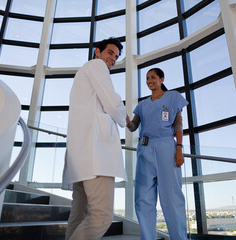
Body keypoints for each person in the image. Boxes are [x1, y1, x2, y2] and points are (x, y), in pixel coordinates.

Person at [62, 37, 127, 240]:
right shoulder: (97, 65)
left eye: (116, 56)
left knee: (79, 214)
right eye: (110, 53)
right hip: (96, 155)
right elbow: (112, 102)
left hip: (80, 156)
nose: (113, 59)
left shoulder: (83, 73)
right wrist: (126, 120)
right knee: (102, 216)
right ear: (97, 52)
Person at [126, 68, 188, 240]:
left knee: (171, 198)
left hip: (166, 147)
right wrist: (125, 120)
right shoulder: (142, 105)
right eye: (147, 78)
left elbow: (178, 125)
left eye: (153, 77)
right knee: (143, 199)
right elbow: (133, 127)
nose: (149, 81)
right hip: (145, 149)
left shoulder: (173, 97)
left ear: (162, 79)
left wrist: (179, 149)